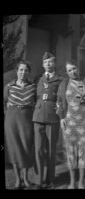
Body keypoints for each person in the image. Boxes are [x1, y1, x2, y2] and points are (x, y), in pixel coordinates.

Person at [56, 59, 85, 189]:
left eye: (74, 68)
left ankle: (81, 182)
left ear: (78, 68)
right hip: (70, 123)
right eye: (69, 70)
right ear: (67, 72)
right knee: (70, 152)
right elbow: (58, 101)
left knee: (83, 152)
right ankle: (72, 182)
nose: (72, 71)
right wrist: (61, 118)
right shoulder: (64, 84)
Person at [32, 52, 63, 189]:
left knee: (51, 150)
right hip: (38, 116)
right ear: (43, 64)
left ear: (54, 63)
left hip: (52, 116)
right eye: (45, 62)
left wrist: (60, 108)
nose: (48, 64)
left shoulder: (60, 80)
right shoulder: (38, 79)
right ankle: (38, 181)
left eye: (50, 62)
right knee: (38, 149)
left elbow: (62, 98)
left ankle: (50, 180)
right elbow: (33, 96)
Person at [4, 60, 36, 189]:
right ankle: (18, 179)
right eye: (21, 70)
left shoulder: (33, 86)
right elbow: (5, 102)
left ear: (28, 72)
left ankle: (26, 178)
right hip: (12, 121)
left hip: (27, 120)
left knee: (26, 148)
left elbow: (37, 103)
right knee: (14, 148)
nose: (23, 72)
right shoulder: (9, 86)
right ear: (17, 71)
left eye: (26, 70)